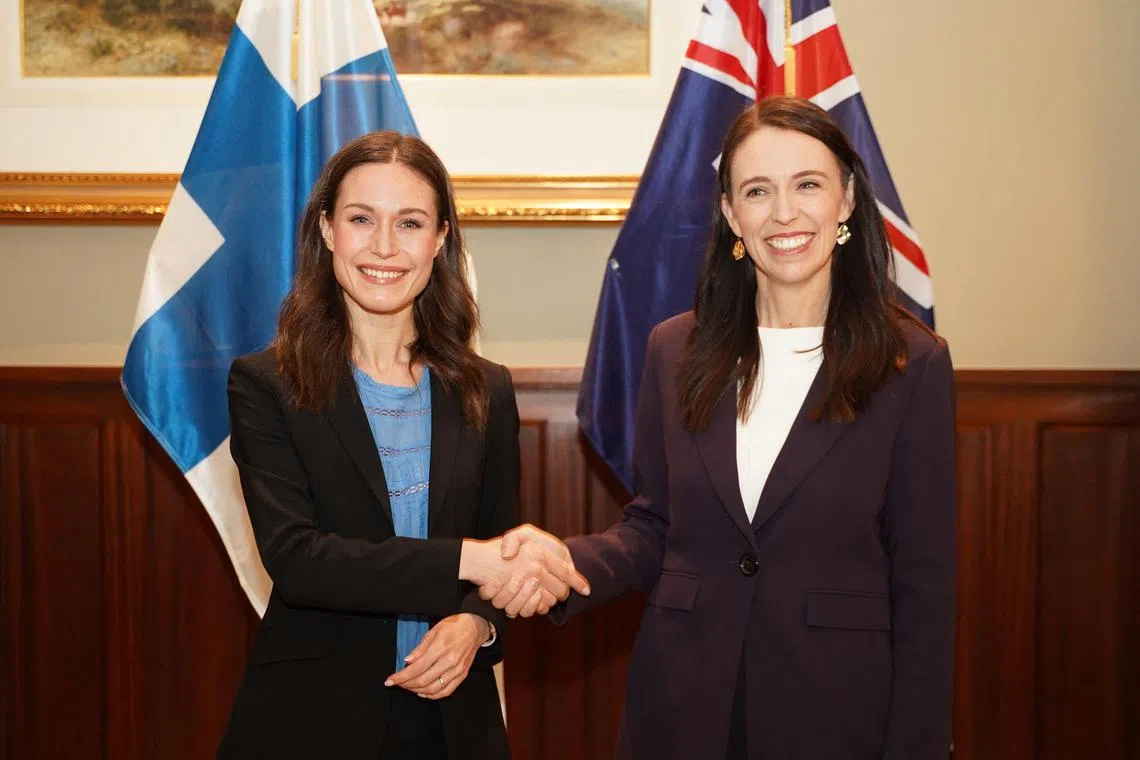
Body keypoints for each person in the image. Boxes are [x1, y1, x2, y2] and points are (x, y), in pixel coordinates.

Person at [482, 96, 957, 759]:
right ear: (732, 213)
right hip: (682, 705)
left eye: (808, 185)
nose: (784, 212)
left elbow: (924, 583)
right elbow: (654, 528)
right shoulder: (674, 350)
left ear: (846, 199)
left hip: (835, 713)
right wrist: (566, 563)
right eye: (757, 190)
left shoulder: (913, 363)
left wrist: (919, 747)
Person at [217, 131, 588, 760]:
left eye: (410, 223)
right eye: (362, 219)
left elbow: (497, 549)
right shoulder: (265, 384)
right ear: (328, 230)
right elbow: (301, 560)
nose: (384, 247)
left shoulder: (484, 389)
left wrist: (476, 625)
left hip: (454, 723)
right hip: (313, 721)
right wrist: (474, 562)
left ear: (440, 239)